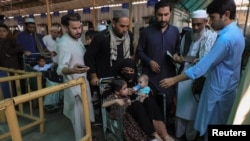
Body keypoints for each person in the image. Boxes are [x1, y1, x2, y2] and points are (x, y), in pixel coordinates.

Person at [159, 0, 245, 140]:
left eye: (212, 17)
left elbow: (201, 68)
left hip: (218, 90)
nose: (210, 22)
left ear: (226, 15)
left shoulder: (225, 39)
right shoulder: (237, 33)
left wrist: (173, 80)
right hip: (228, 87)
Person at [174, 10, 217, 141]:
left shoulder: (211, 38)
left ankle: (190, 137)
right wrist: (178, 58)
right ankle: (178, 136)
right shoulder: (187, 36)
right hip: (183, 76)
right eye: (194, 24)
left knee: (193, 113)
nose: (196, 28)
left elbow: (209, 60)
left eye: (199, 25)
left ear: (206, 22)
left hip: (198, 80)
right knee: (180, 112)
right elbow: (181, 52)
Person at [136, 0, 180, 122]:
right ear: (155, 14)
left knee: (167, 104)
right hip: (150, 78)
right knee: (151, 106)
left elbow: (177, 50)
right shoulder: (146, 32)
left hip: (168, 76)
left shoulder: (175, 31)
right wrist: (149, 61)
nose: (163, 18)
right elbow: (139, 51)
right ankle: (153, 131)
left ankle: (164, 127)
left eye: (166, 15)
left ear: (170, 13)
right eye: (160, 15)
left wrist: (176, 56)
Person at [56, 13, 95, 141]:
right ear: (66, 28)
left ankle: (87, 137)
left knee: (85, 117)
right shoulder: (64, 43)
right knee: (78, 122)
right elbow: (61, 68)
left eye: (80, 27)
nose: (78, 31)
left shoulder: (77, 39)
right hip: (74, 88)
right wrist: (73, 70)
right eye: (74, 28)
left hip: (82, 83)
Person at [116, 58, 174, 141]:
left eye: (131, 71)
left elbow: (152, 89)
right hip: (129, 107)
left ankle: (164, 134)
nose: (129, 73)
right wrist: (125, 92)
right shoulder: (118, 81)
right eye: (126, 71)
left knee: (149, 101)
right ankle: (153, 135)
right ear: (121, 70)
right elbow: (110, 94)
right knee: (137, 105)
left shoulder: (139, 80)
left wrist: (145, 94)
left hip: (142, 103)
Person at [84, 9, 134, 88]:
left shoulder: (129, 36)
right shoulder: (101, 37)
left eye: (127, 26)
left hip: (122, 78)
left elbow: (131, 55)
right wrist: (93, 76)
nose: (125, 29)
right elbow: (88, 56)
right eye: (122, 26)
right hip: (105, 78)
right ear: (113, 23)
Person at [0, 23, 31, 98]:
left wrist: (9, 52)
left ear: (7, 32)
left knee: (14, 85)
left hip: (12, 67)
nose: (1, 33)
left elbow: (20, 47)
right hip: (2, 68)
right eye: (0, 31)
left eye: (4, 31)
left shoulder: (11, 40)